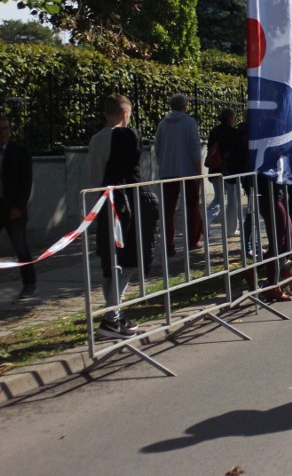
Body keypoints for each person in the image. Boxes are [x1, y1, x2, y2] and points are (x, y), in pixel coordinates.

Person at [89, 94, 160, 338]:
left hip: (103, 204)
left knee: (111, 262)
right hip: (124, 205)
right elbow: (133, 172)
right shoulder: (127, 136)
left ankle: (114, 315)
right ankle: (111, 318)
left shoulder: (95, 139)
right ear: (125, 114)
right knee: (127, 259)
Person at [155, 93, 203, 256]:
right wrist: (198, 172)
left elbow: (158, 148)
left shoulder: (162, 124)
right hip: (187, 171)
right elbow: (195, 148)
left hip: (168, 172)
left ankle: (169, 244)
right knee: (192, 206)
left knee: (168, 210)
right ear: (184, 106)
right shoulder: (190, 123)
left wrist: (162, 165)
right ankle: (193, 240)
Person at [0, 115, 36, 300]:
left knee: (21, 247)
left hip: (13, 206)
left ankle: (29, 284)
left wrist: (19, 206)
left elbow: (25, 181)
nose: (3, 133)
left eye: (6, 128)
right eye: (1, 129)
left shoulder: (19, 151)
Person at [205, 108, 239, 236]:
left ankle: (205, 222)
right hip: (229, 170)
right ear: (230, 118)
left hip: (214, 168)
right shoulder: (233, 132)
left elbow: (210, 148)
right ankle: (231, 228)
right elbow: (234, 152)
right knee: (232, 200)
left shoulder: (214, 131)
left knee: (218, 198)